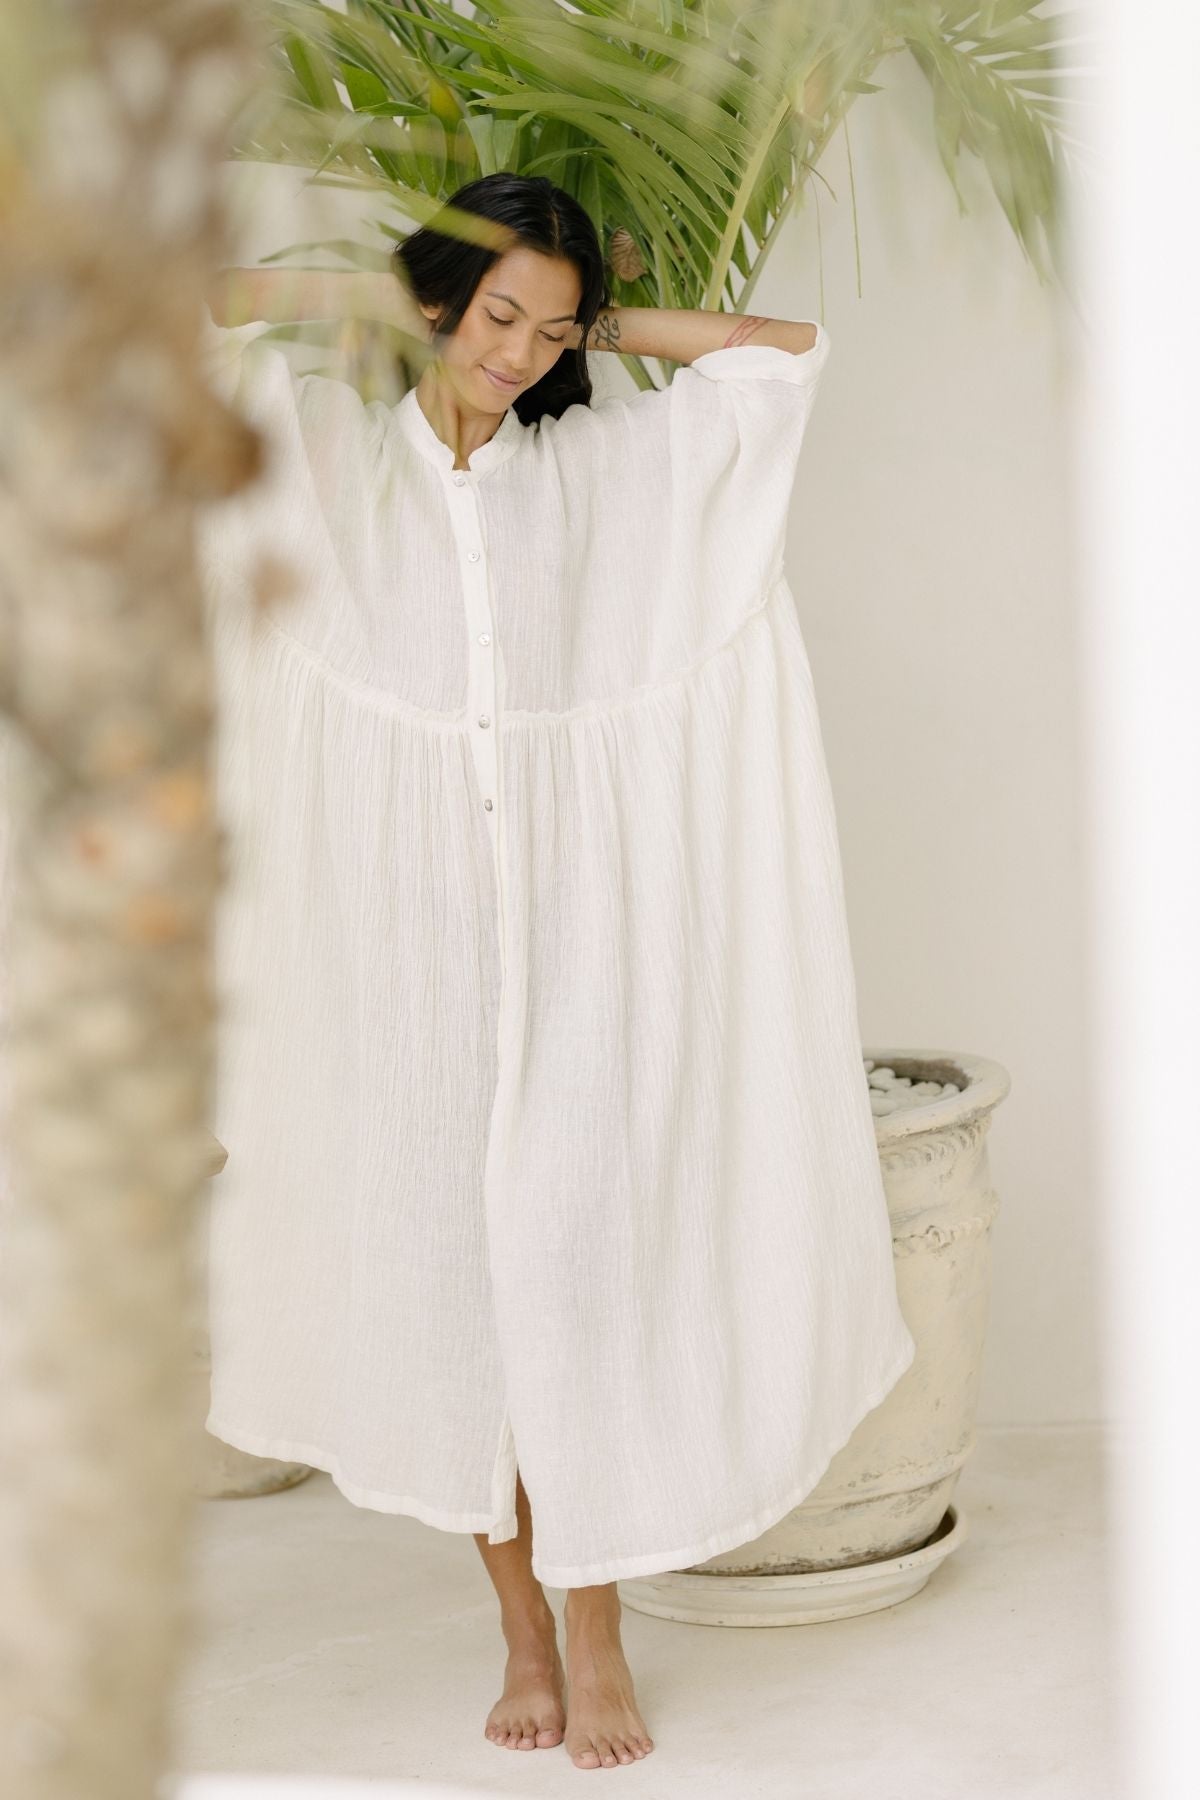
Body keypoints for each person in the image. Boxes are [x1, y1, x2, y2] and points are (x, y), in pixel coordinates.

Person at [200, 171, 917, 1773]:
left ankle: (595, 1637)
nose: (516, 352)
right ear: (441, 301)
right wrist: (389, 296)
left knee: (581, 1294)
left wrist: (600, 321)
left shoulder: (601, 479)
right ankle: (520, 1627)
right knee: (461, 1314)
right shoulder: (329, 466)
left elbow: (782, 354)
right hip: (406, 971)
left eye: (552, 326)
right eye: (491, 312)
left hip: (587, 965)